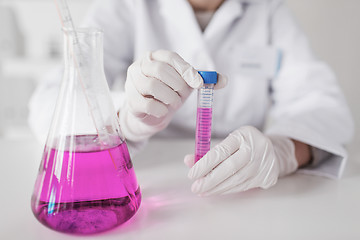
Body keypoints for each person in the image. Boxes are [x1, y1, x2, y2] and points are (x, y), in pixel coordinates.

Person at [28, 0, 354, 196]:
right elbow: (49, 103)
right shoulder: (126, 5)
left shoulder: (268, 9)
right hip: (149, 182)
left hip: (244, 190)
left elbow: (322, 105)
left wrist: (282, 151)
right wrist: (124, 119)